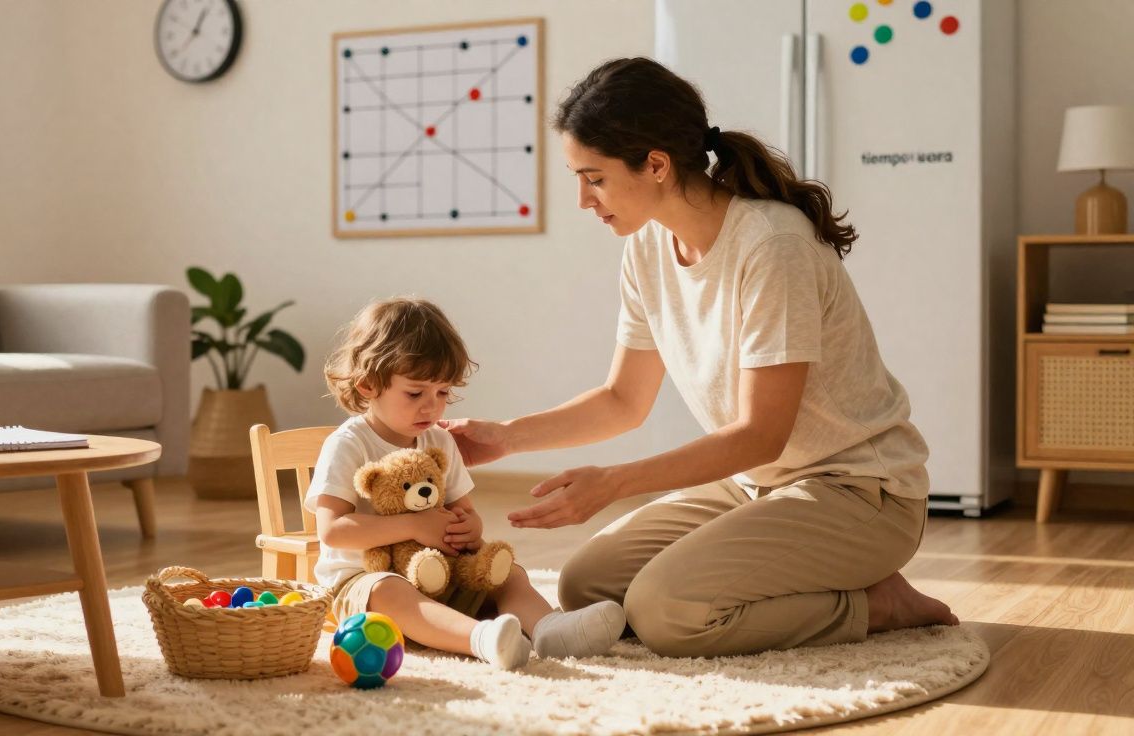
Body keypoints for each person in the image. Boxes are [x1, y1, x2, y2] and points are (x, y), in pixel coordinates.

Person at [439, 58, 959, 660]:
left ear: (656, 164)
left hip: (859, 492)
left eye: (595, 178)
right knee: (587, 587)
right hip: (755, 487)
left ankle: (878, 604)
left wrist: (613, 483)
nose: (583, 200)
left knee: (667, 612)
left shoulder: (772, 245)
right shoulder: (647, 248)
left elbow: (762, 435)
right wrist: (504, 438)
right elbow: (622, 400)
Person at [306, 297, 626, 670]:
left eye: (442, 393)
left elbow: (466, 514)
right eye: (415, 393)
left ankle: (551, 629)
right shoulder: (348, 444)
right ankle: (483, 639)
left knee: (508, 574)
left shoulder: (438, 441)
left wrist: (470, 530)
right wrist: (412, 525)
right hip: (363, 580)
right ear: (368, 386)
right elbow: (333, 531)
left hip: (439, 572)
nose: (432, 407)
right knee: (392, 591)